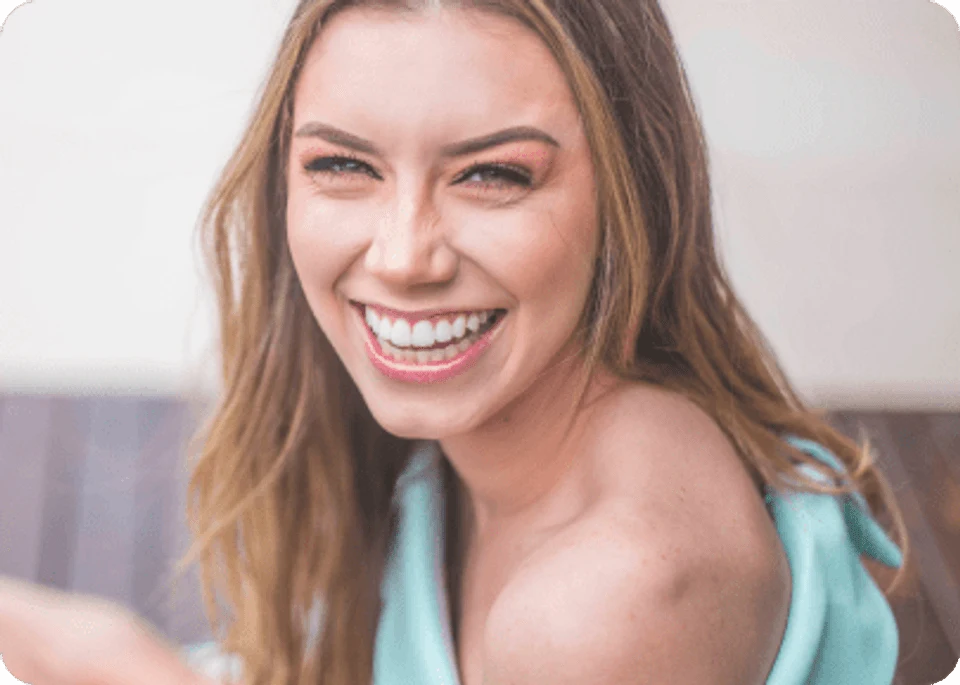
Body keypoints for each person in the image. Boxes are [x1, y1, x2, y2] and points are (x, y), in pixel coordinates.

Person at [0, 1, 910, 684]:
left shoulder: (604, 605)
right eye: (343, 164)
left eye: (492, 175)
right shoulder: (520, 433)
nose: (401, 258)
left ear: (632, 194)